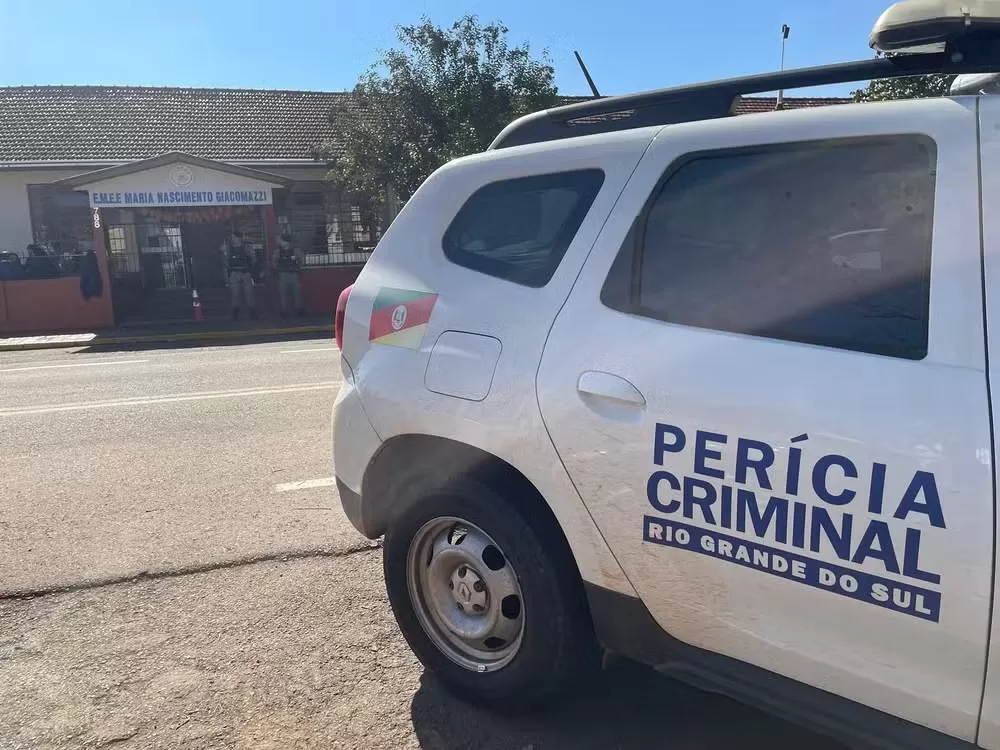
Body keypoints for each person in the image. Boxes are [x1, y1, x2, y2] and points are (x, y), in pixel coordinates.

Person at [221, 230, 256, 320]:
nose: (232, 239)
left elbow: (253, 259)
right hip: (234, 273)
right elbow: (225, 261)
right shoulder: (229, 248)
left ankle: (252, 313)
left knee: (249, 293)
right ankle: (235, 313)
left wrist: (249, 269)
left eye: (234, 237)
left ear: (239, 238)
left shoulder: (247, 248)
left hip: (245, 272)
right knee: (235, 293)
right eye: (232, 237)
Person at [274, 233, 305, 317]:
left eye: (281, 241)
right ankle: (284, 311)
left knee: (297, 293)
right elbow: (274, 263)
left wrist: (298, 268)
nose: (280, 242)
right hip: (283, 274)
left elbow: (302, 261)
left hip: (294, 274)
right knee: (283, 293)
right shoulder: (277, 252)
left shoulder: (296, 251)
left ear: (286, 242)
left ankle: (299, 310)